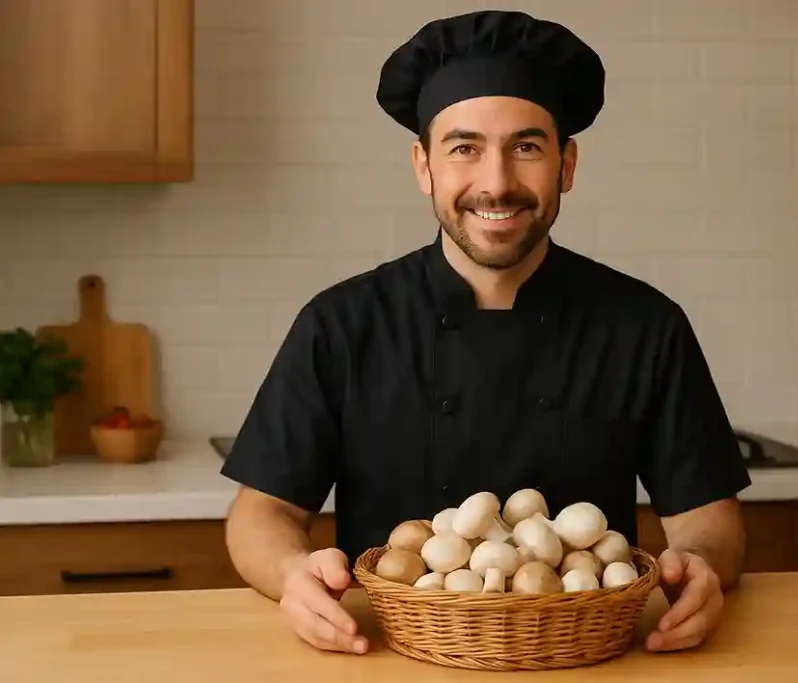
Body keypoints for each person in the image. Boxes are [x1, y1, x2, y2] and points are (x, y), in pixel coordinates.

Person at [220, 9, 751, 657]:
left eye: (526, 146)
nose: (496, 182)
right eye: (464, 147)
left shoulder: (644, 325)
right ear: (424, 165)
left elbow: (707, 518)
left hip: (587, 660)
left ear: (567, 164)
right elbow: (260, 513)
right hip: (390, 656)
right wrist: (289, 572)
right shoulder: (343, 324)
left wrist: (696, 564)